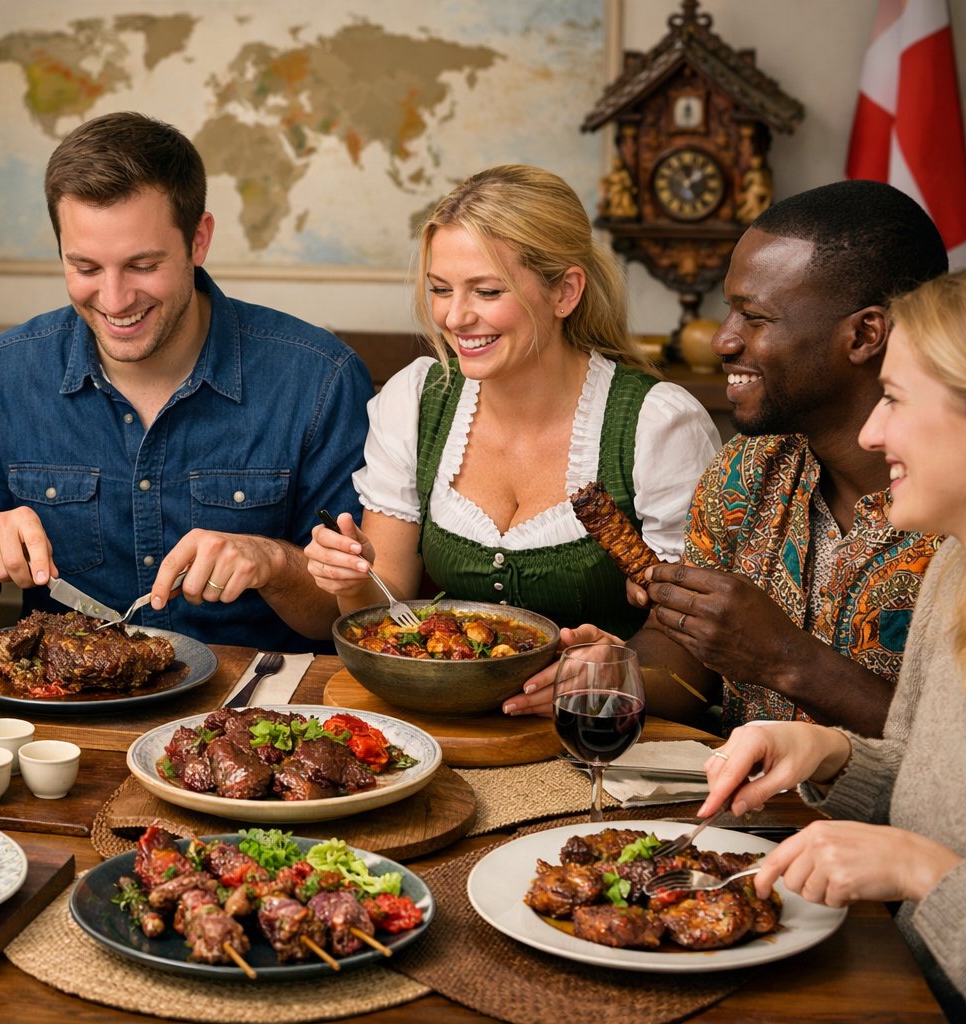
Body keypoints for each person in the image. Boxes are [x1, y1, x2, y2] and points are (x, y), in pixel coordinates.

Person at [0, 111, 372, 649]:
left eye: (143, 265)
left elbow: (353, 619)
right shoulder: (1, 376)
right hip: (64, 712)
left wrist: (275, 563)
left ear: (198, 240)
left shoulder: (318, 378)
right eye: (85, 268)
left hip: (254, 712)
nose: (115, 299)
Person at [508, 179, 948, 735]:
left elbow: (950, 758)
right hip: (738, 812)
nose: (723, 341)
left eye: (755, 317)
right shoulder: (747, 467)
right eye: (728, 311)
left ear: (864, 335)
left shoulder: (948, 505)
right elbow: (687, 656)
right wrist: (620, 672)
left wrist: (787, 657)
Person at [698, 269, 966, 1016]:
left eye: (896, 399)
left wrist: (927, 874)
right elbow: (925, 775)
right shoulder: (955, 564)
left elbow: (933, 850)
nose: (874, 433)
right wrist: (833, 755)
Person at [305, 165, 719, 641]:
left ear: (565, 292)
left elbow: (691, 654)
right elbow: (386, 609)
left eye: (487, 291)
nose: (455, 317)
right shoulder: (416, 400)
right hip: (445, 709)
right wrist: (352, 580)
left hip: (596, 714)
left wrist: (605, 673)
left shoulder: (660, 425)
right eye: (440, 289)